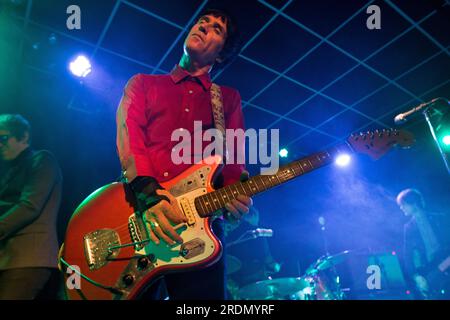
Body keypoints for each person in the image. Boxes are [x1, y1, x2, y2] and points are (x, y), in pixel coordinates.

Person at [116, 8, 253, 300]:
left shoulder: (227, 98)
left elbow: (234, 157)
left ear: (220, 55)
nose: (205, 26)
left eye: (217, 28)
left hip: (201, 229)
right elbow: (131, 138)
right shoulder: (142, 84)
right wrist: (148, 193)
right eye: (203, 21)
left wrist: (234, 196)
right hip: (141, 214)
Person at [0, 114, 62, 299]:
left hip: (30, 260)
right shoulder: (10, 171)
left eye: (3, 138)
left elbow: (30, 205)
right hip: (9, 260)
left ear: (24, 136)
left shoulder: (42, 160)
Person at [396, 188, 450, 299]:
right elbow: (407, 255)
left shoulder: (438, 218)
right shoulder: (408, 227)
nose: (401, 208)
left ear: (413, 203)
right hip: (430, 269)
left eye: (403, 204)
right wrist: (416, 276)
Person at [224, 206, 281, 300]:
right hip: (252, 279)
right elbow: (267, 257)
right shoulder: (254, 233)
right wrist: (275, 266)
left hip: (239, 281)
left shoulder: (235, 234)